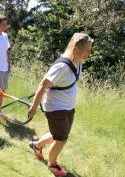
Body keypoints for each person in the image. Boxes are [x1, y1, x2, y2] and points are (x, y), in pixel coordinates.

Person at [28, 33, 93, 176]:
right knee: (61, 139)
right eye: (87, 49)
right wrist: (33, 107)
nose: (89, 53)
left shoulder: (78, 62)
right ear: (76, 48)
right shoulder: (62, 66)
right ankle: (52, 164)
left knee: (57, 133)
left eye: (90, 49)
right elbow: (43, 85)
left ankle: (36, 146)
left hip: (68, 106)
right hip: (56, 107)